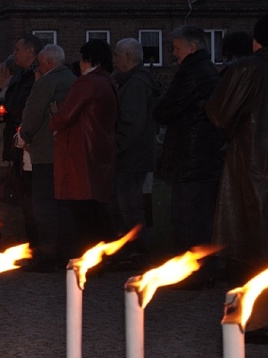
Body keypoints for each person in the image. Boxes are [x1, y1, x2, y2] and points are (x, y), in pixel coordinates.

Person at [206, 12, 268, 338]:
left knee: (255, 245)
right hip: (257, 164)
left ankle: (258, 320)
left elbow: (219, 112)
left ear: (257, 40)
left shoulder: (248, 68)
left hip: (254, 166)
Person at [152, 25, 224, 258]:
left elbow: (164, 110)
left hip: (189, 156)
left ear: (191, 47)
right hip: (205, 155)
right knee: (201, 218)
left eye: (176, 48)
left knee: (187, 219)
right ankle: (203, 270)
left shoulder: (190, 73)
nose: (173, 54)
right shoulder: (208, 70)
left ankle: (191, 273)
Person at [49, 39, 119, 260]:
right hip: (99, 150)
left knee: (81, 213)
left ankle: (84, 256)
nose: (79, 64)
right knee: (96, 210)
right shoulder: (108, 83)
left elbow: (66, 115)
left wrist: (53, 120)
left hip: (78, 153)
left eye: (82, 59)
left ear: (90, 60)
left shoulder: (87, 82)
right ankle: (102, 255)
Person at [18, 44, 77, 271]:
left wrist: (24, 135)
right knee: (64, 205)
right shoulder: (73, 81)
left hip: (45, 151)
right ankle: (67, 252)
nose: (38, 67)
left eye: (40, 62)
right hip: (66, 151)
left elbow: (32, 114)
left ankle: (47, 256)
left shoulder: (46, 83)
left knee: (44, 205)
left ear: (49, 63)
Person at [110, 38, 161, 265]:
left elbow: (131, 123)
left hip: (131, 156)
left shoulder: (136, 84)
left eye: (117, 56)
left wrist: (115, 147)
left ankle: (136, 250)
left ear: (127, 58)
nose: (114, 60)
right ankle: (132, 248)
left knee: (129, 205)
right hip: (134, 154)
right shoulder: (137, 82)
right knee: (129, 205)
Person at [1, 34, 43, 245]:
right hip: (17, 143)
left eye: (18, 49)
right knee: (23, 196)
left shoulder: (39, 75)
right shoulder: (19, 77)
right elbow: (10, 104)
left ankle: (40, 246)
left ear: (31, 51)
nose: (14, 53)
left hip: (32, 144)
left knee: (35, 198)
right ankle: (31, 244)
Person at [0, 57, 27, 244]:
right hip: (9, 153)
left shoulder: (5, 95)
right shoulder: (11, 93)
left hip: (3, 154)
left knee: (4, 201)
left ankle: (10, 241)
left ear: (9, 73)